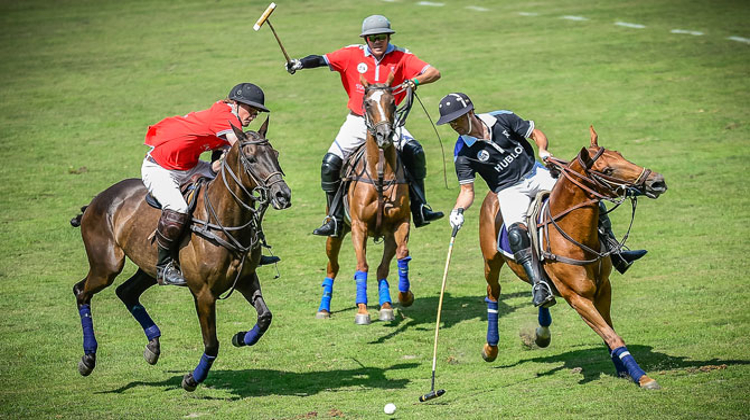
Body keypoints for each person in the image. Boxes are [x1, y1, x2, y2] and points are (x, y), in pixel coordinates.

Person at [436, 92, 647, 307]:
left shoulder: (501, 118)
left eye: (457, 119)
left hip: (535, 173)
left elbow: (535, 133)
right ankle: (539, 285)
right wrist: (458, 210)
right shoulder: (463, 152)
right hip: (509, 190)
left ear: (470, 112)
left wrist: (543, 151)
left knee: (588, 197)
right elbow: (467, 191)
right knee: (516, 233)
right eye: (450, 123)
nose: (454, 125)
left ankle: (616, 252)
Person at [284, 14, 444, 237]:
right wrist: (299, 63)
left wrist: (413, 81)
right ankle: (334, 218)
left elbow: (433, 72)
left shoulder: (402, 56)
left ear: (388, 37)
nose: (377, 41)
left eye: (381, 37)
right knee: (330, 163)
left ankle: (420, 208)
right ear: (365, 40)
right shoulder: (351, 54)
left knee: (415, 152)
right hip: (358, 121)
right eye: (372, 38)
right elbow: (322, 59)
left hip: (389, 122)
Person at [141, 83, 278, 286]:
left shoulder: (228, 117)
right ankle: (163, 267)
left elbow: (222, 150)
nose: (252, 115)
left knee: (234, 192)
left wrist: (217, 164)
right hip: (160, 168)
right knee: (178, 209)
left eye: (256, 113)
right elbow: (240, 150)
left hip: (190, 166)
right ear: (236, 103)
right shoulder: (226, 117)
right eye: (251, 109)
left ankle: (250, 247)